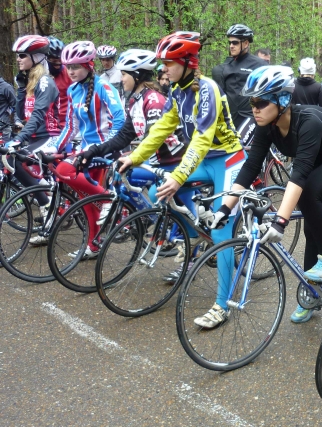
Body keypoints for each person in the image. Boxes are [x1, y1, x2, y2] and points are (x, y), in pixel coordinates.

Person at [198, 65, 322, 326]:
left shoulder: (308, 122)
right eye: (252, 102)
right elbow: (250, 167)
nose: (254, 109)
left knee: (307, 193)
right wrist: (224, 209)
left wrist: (280, 222)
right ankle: (313, 294)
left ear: (283, 100)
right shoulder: (267, 125)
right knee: (312, 226)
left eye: (261, 102)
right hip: (321, 162)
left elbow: (298, 176)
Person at [118, 31, 245, 287]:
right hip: (204, 161)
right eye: (163, 63)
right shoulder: (177, 91)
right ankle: (193, 235)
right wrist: (135, 157)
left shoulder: (207, 89)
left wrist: (178, 176)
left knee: (220, 232)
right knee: (157, 191)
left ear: (188, 62)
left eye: (168, 63)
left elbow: (202, 138)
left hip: (228, 159)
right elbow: (160, 129)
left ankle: (223, 301)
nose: (163, 69)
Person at [76, 49, 185, 221]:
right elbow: (123, 137)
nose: (121, 79)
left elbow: (153, 141)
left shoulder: (154, 101)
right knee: (122, 176)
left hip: (172, 163)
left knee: (129, 177)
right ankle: (150, 220)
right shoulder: (135, 100)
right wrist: (94, 151)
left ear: (137, 76)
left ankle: (156, 221)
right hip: (157, 161)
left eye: (124, 74)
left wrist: (132, 158)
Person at [37, 40, 125, 250]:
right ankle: (93, 245)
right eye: (68, 67)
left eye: (76, 67)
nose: (71, 71)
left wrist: (106, 146)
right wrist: (54, 147)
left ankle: (107, 199)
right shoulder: (73, 90)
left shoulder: (104, 87)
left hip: (103, 149)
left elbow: (120, 119)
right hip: (85, 149)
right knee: (86, 201)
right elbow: (70, 126)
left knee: (64, 169)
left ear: (88, 65)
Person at [9, 35, 61, 217]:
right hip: (34, 138)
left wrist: (19, 139)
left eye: (22, 55)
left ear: (36, 57)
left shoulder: (45, 82)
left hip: (49, 136)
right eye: (18, 55)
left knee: (15, 159)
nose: (18, 59)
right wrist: (21, 88)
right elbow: (22, 114)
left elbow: (38, 114)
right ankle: (47, 195)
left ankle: (46, 203)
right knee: (11, 160)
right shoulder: (30, 82)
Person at [213, 24, 267, 129]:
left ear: (246, 43)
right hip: (230, 121)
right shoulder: (225, 67)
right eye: (230, 43)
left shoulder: (260, 65)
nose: (231, 46)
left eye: (235, 42)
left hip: (252, 120)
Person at [46, 36, 72, 127]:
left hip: (65, 124)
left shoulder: (69, 73)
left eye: (59, 60)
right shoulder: (37, 76)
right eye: (54, 61)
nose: (57, 64)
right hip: (44, 125)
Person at [0, 67, 16, 142]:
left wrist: (17, 121)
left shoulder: (6, 87)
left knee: (6, 148)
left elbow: (16, 106)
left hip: (3, 128)